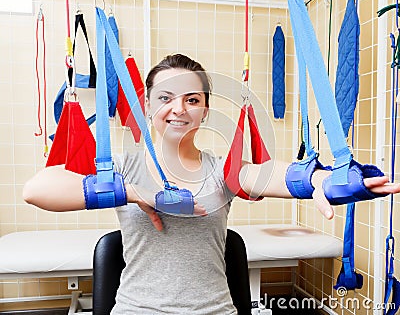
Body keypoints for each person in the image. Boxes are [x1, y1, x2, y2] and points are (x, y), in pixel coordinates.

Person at [23, 54, 400, 315]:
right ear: (148, 106)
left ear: (205, 110)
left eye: (192, 99)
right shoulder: (122, 168)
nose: (179, 109)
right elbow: (37, 189)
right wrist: (134, 192)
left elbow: (263, 173)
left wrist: (319, 179)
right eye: (166, 98)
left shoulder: (222, 171)